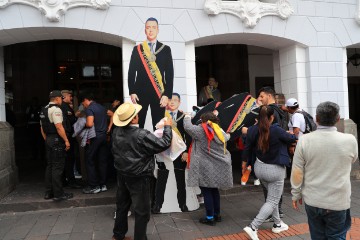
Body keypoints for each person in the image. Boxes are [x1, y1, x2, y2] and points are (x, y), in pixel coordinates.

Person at [291, 101, 358, 240]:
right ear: (338, 118)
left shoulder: (305, 140)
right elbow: (352, 160)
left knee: (317, 237)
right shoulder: (350, 140)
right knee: (337, 236)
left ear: (316, 118)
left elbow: (297, 171)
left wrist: (296, 194)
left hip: (313, 199)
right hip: (338, 200)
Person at [111, 102, 172, 240]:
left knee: (122, 206)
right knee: (142, 211)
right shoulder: (141, 134)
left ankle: (118, 235)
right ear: (133, 118)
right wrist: (168, 126)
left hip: (122, 173)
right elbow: (163, 144)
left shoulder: (116, 131)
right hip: (140, 176)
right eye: (136, 114)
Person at [242, 105, 297, 240]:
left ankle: (277, 224)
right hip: (275, 170)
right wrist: (290, 134)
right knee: (273, 200)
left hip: (259, 169)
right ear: (272, 117)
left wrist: (244, 164)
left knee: (272, 197)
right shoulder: (277, 130)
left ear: (258, 117)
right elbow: (292, 139)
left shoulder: (252, 130)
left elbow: (247, 149)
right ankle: (253, 227)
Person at [183, 111, 233, 226]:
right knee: (214, 190)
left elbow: (187, 126)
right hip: (217, 165)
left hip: (205, 166)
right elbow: (228, 136)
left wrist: (187, 116)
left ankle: (210, 218)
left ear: (203, 120)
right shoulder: (219, 130)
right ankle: (217, 214)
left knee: (206, 191)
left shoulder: (202, 130)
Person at [128, 17, 174, 130]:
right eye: (148, 27)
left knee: (159, 126)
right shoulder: (138, 49)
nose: (151, 30)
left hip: (159, 92)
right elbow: (131, 72)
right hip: (140, 92)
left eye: (154, 27)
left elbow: (169, 74)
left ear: (158, 30)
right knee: (138, 124)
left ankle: (158, 148)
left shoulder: (166, 49)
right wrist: (132, 91)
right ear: (145, 30)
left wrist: (167, 95)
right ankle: (138, 147)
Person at [152, 93, 192, 213]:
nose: (173, 102)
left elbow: (188, 136)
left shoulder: (184, 116)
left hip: (179, 152)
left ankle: (183, 205)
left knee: (180, 180)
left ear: (179, 102)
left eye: (176, 100)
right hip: (164, 151)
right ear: (167, 102)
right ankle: (158, 205)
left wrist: (186, 152)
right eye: (171, 100)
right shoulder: (161, 114)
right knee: (161, 179)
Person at [39, 90, 73, 201]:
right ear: (57, 98)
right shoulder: (56, 110)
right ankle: (58, 194)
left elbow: (42, 128)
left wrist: (47, 139)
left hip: (48, 139)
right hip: (57, 139)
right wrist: (66, 140)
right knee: (57, 167)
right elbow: (59, 127)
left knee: (50, 166)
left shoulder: (44, 109)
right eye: (61, 98)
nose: (62, 101)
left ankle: (48, 193)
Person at [80, 92, 109, 194]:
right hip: (104, 137)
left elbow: (89, 123)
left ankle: (94, 186)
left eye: (83, 102)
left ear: (86, 99)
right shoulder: (102, 107)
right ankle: (103, 184)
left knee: (89, 159)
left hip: (94, 137)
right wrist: (108, 128)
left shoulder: (89, 109)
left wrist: (81, 125)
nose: (83, 105)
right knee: (102, 160)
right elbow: (113, 115)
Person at [60, 90, 81, 189]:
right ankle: (71, 181)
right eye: (70, 96)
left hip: (69, 136)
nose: (71, 98)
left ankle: (65, 180)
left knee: (68, 160)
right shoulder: (64, 107)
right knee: (69, 159)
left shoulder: (66, 106)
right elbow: (70, 121)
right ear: (64, 97)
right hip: (68, 136)